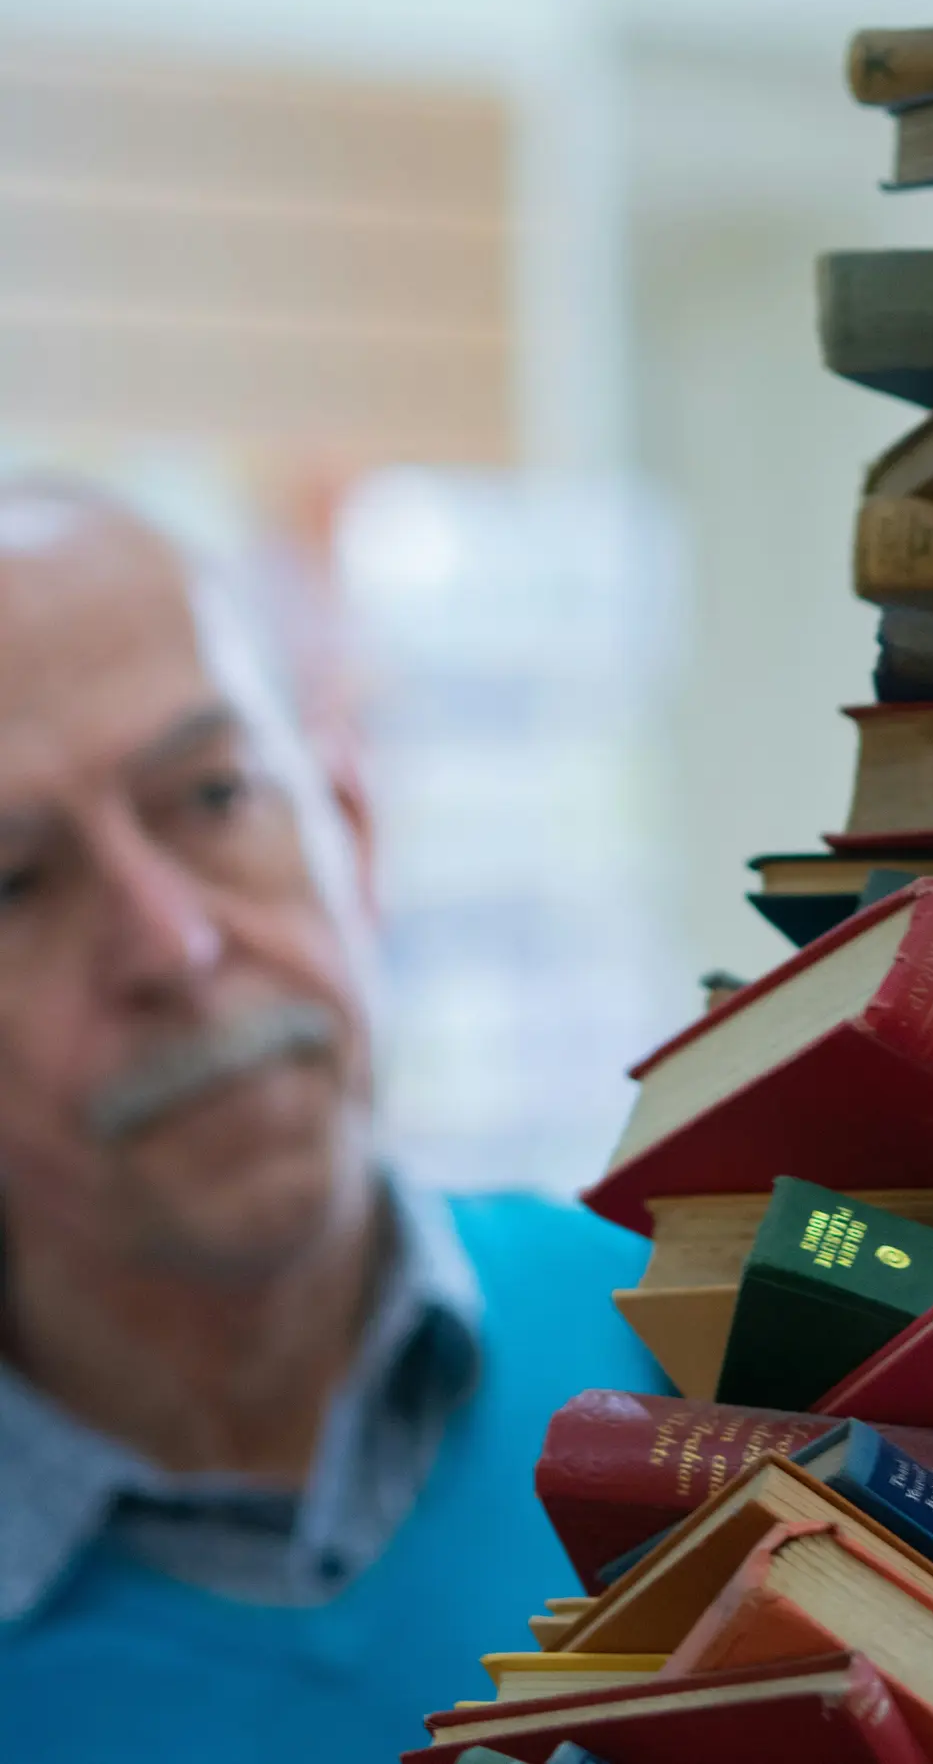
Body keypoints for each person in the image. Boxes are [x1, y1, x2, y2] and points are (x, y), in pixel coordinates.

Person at [0, 476, 662, 1761]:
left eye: (213, 796)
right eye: (14, 880)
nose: (174, 946)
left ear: (350, 829)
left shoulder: (713, 1361)